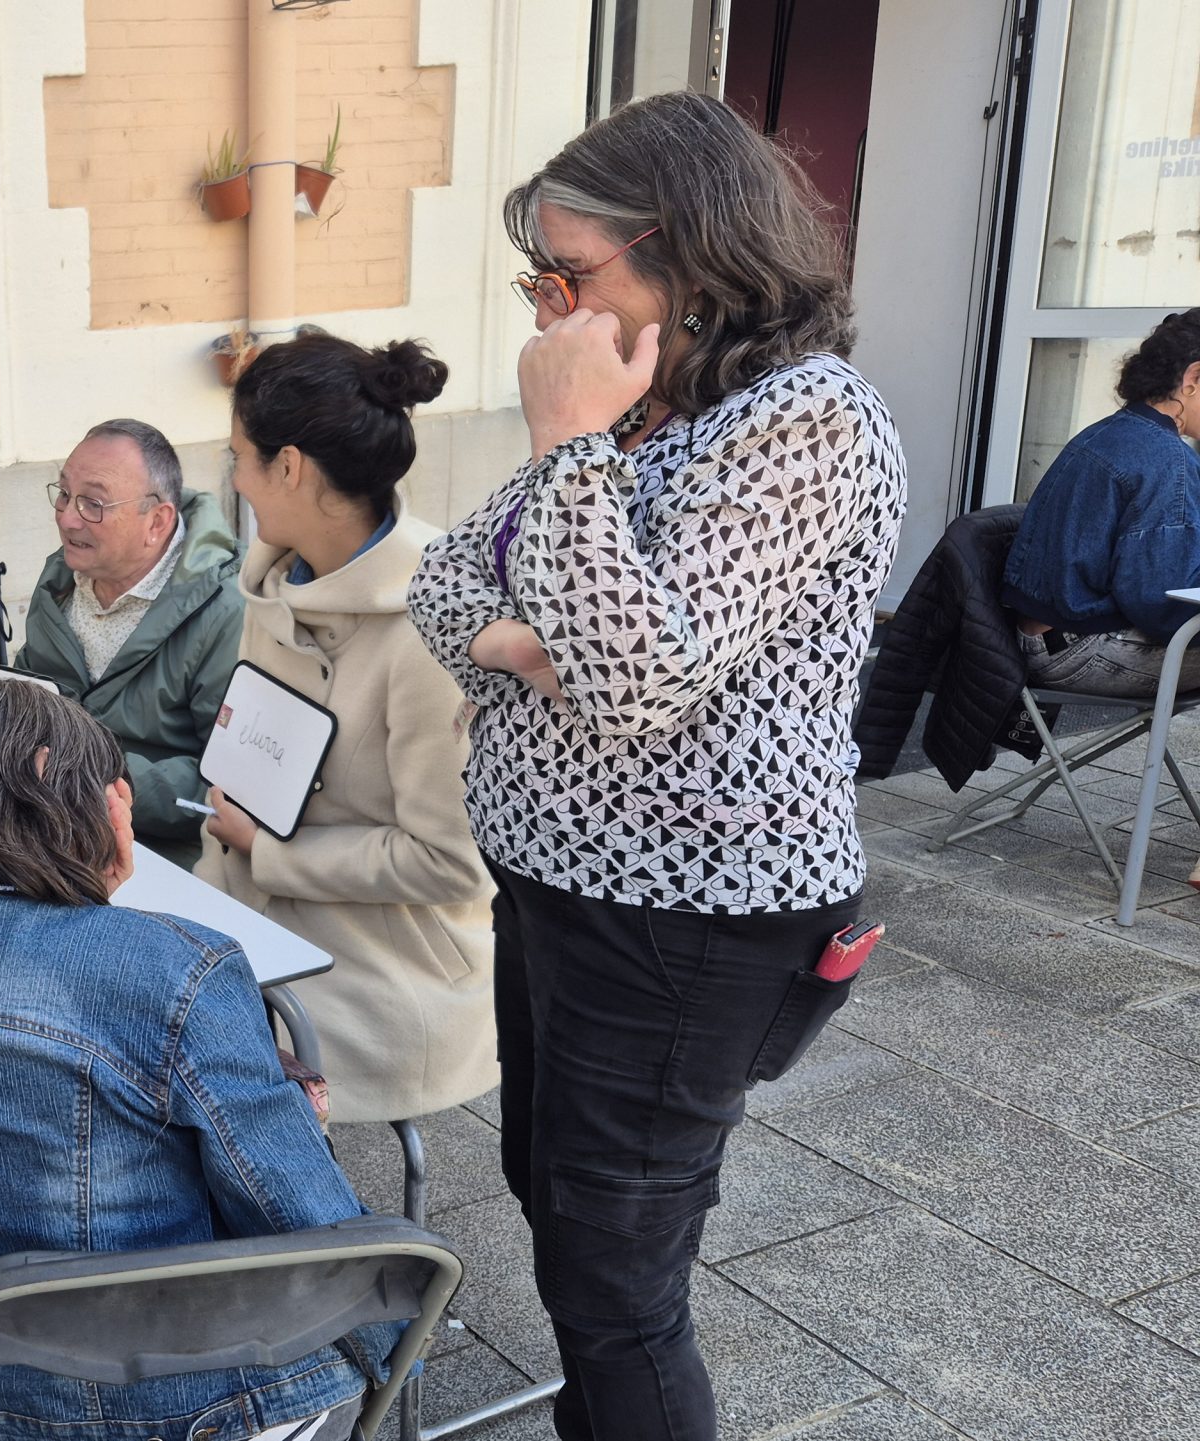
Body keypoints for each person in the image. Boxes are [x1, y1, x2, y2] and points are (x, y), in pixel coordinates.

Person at [406, 92, 907, 1440]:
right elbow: (443, 584)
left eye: (570, 275)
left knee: (615, 1278)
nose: (548, 313)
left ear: (693, 255)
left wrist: (566, 448)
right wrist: (526, 640)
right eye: (539, 278)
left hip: (688, 914)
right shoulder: (643, 412)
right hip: (554, 884)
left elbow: (631, 678)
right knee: (552, 1198)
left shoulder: (807, 418)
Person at [0, 681, 402, 1441]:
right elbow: (295, 1208)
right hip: (197, 1396)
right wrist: (396, 1346)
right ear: (98, 803)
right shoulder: (179, 967)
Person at [191, 335, 496, 1126]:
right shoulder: (277, 580)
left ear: (289, 467)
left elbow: (452, 863)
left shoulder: (433, 624)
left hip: (384, 971)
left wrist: (268, 851)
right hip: (246, 913)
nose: (234, 479)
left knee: (174, 1072)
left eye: (238, 457)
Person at [16, 419, 243, 867]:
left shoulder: (225, 610)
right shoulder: (59, 581)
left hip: (167, 860)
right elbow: (31, 695)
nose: (67, 518)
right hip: (52, 835)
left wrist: (91, 777)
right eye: (64, 494)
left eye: (93, 504)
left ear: (157, 522)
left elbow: (230, 785)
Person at [1002, 307, 1200, 698]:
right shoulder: (1169, 460)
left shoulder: (1109, 431)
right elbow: (1162, 605)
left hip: (1040, 638)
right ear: (1193, 379)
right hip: (1084, 648)